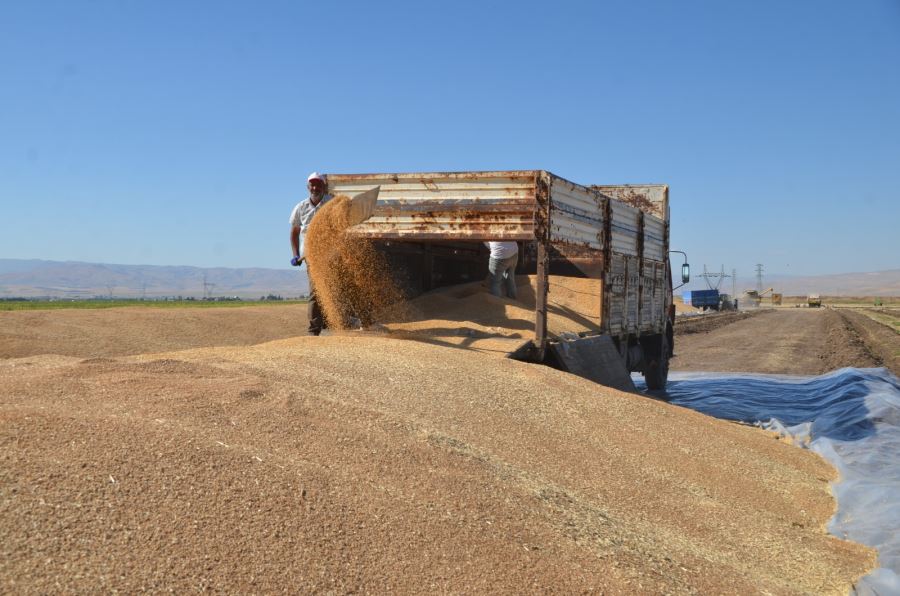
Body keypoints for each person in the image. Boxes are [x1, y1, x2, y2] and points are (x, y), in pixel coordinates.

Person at [290, 172, 332, 335]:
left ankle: (329, 323)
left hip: (329, 252)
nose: (315, 188)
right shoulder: (301, 207)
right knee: (316, 290)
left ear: (324, 187)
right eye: (312, 185)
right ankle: (314, 329)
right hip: (310, 255)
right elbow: (294, 232)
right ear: (308, 187)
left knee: (329, 287)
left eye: (318, 185)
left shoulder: (331, 204)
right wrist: (295, 254)